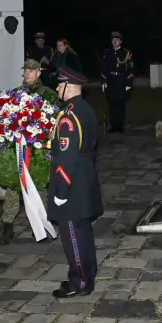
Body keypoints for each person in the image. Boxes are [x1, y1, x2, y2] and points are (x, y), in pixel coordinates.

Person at [48, 65, 103, 298]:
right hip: (85, 176)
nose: (57, 89)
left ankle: (79, 281)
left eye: (59, 85)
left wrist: (60, 191)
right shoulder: (85, 109)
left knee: (72, 234)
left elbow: (66, 158)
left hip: (72, 182)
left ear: (68, 87)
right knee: (83, 232)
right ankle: (88, 274)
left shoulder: (68, 117)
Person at [0, 59, 53, 245]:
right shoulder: (15, 94)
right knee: (13, 185)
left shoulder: (48, 95)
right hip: (18, 150)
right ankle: (7, 226)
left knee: (39, 186)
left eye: (32, 70)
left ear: (39, 73)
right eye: (26, 70)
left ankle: (42, 225)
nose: (28, 73)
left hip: (38, 151)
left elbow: (53, 120)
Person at [100, 31, 135, 133]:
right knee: (111, 105)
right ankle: (113, 125)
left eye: (117, 40)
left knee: (120, 105)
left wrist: (129, 83)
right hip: (111, 81)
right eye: (113, 40)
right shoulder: (107, 53)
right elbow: (104, 68)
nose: (115, 42)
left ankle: (120, 125)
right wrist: (103, 81)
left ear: (120, 42)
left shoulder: (126, 53)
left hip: (121, 82)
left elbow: (131, 69)